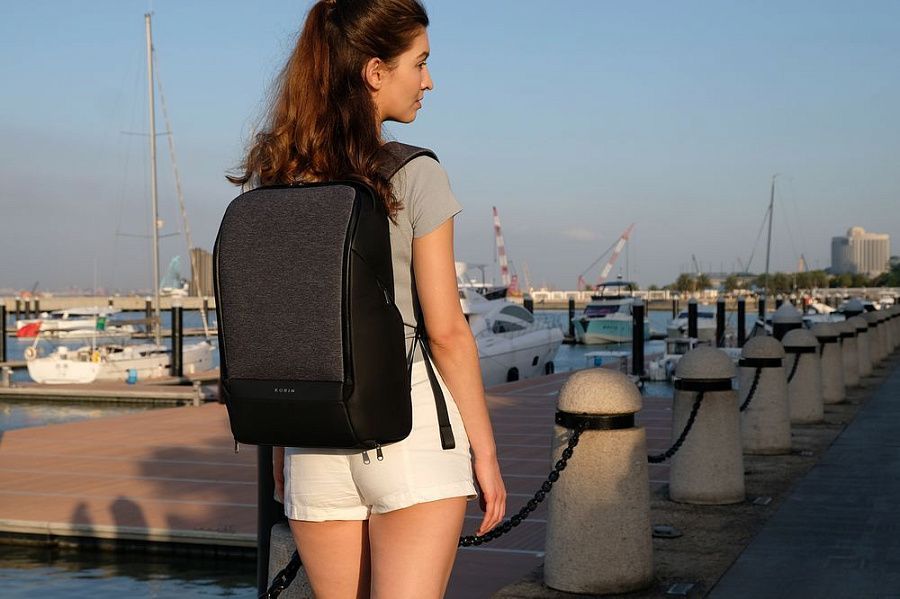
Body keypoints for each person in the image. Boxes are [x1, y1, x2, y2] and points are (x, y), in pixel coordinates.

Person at [227, 1, 506, 597]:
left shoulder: (282, 174)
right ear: (375, 72)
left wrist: (281, 444)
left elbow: (285, 324)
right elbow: (447, 332)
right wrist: (484, 452)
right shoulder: (415, 172)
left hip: (312, 439)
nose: (429, 81)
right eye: (420, 63)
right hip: (408, 428)